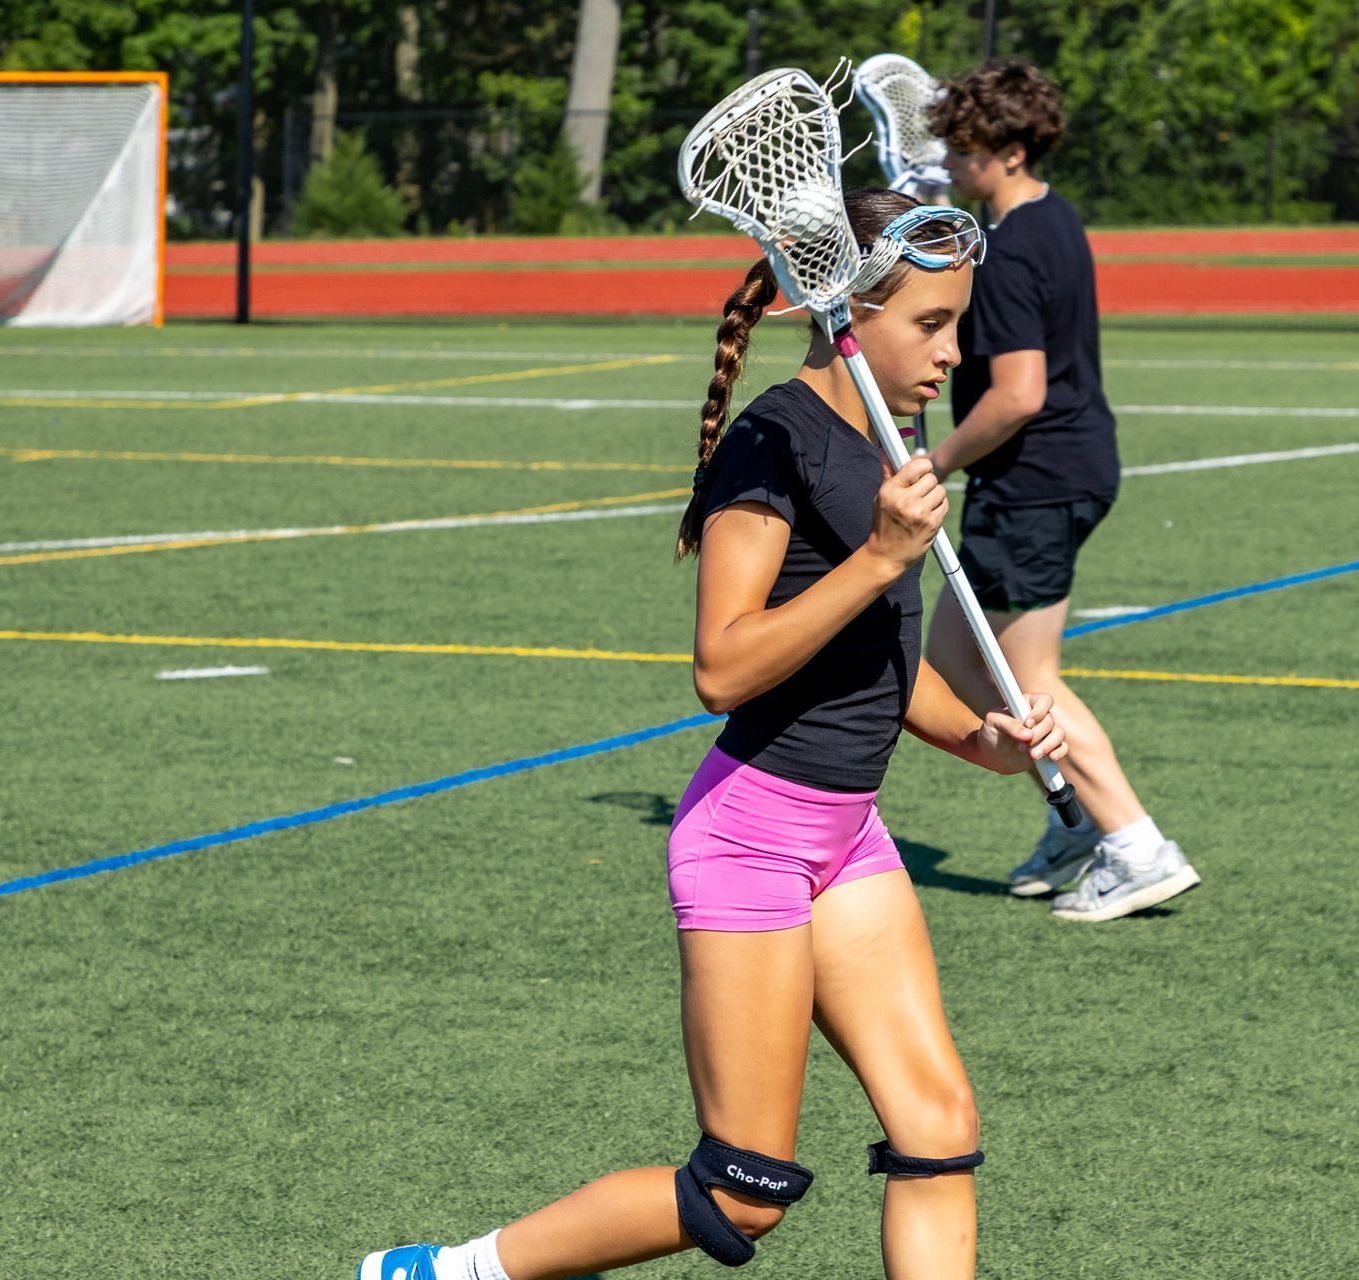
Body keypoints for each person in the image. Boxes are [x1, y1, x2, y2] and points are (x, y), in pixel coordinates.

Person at [358, 188, 1066, 1280]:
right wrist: (880, 554)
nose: (953, 352)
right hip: (752, 839)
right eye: (931, 324)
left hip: (849, 836)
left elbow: (884, 652)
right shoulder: (772, 442)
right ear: (845, 313)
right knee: (744, 1183)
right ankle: (449, 1273)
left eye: (958, 324)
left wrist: (984, 738)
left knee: (938, 1123)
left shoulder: (895, 438)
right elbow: (722, 664)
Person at [924, 59, 1199, 923]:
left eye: (964, 148)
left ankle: (1134, 843)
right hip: (1062, 473)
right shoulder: (1048, 217)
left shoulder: (1007, 252)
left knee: (1022, 676)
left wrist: (936, 464)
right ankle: (1075, 825)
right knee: (956, 655)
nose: (950, 160)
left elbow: (1019, 393)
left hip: (1034, 480)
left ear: (1008, 151)